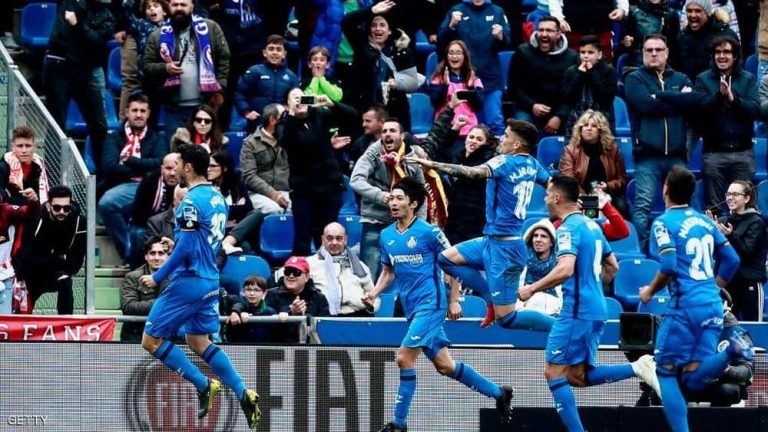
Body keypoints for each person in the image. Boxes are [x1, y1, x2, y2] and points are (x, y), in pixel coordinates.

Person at [362, 177, 514, 432]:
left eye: (399, 198)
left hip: (431, 304)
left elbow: (454, 262)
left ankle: (398, 425)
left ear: (413, 203)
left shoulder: (429, 232)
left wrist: (454, 299)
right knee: (445, 366)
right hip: (411, 307)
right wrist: (374, 294)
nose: (393, 202)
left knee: (403, 358)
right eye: (391, 197)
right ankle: (499, 393)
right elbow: (388, 272)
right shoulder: (387, 235)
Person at [518, 175, 660, 432]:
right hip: (596, 308)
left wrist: (531, 288)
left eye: (547, 195)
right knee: (577, 376)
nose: (545, 199)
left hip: (576, 310)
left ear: (557, 197)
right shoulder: (592, 226)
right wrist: (592, 289)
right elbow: (613, 266)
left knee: (553, 372)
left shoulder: (568, 228)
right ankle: (637, 367)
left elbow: (565, 269)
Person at [137, 145, 260, 429]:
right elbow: (201, 241)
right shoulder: (218, 197)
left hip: (189, 280)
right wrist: (177, 242)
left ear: (189, 167)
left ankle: (204, 384)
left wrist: (157, 276)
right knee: (197, 340)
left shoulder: (190, 201)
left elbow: (187, 249)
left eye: (178, 164)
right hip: (210, 280)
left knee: (150, 340)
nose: (176, 169)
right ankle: (243, 392)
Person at [407, 119, 555, 331]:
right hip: (491, 240)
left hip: (505, 249)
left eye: (506, 135)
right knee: (445, 259)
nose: (501, 138)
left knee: (507, 319)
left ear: (516, 145)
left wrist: (433, 165)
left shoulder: (504, 161)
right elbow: (551, 182)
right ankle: (488, 297)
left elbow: (471, 172)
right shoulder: (533, 164)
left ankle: (560, 329)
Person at [639, 166, 750, 432]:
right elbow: (732, 260)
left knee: (664, 372)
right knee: (694, 378)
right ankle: (730, 352)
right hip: (713, 306)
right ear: (692, 192)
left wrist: (650, 290)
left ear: (665, 189)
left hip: (685, 307)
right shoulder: (704, 222)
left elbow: (668, 265)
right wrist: (713, 286)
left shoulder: (664, 222)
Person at [624, 34, 697, 246]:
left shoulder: (681, 78)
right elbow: (646, 106)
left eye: (658, 50)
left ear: (667, 53)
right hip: (647, 154)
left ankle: (678, 247)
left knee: (681, 206)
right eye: (649, 50)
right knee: (643, 205)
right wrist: (677, 99)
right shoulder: (634, 78)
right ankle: (640, 251)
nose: (654, 54)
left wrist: (660, 96)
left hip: (676, 154)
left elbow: (691, 102)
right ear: (643, 53)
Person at [277, 88, 357, 255]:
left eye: (302, 97)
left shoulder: (319, 115)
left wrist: (331, 103)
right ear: (287, 105)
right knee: (302, 238)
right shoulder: (285, 123)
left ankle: (329, 269)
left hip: (329, 186)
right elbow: (287, 142)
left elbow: (353, 116)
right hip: (303, 190)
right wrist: (292, 114)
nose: (299, 101)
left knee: (327, 236)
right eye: (295, 98)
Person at [693, 35, 760, 215]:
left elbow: (755, 110)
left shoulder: (748, 79)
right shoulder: (703, 79)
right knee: (713, 208)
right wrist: (719, 96)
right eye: (718, 52)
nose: (721, 56)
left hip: (743, 153)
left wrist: (733, 99)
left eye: (726, 52)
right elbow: (700, 109)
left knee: (743, 209)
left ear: (735, 56)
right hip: (714, 154)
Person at [350, 118, 427, 277]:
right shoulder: (374, 152)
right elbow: (356, 180)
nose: (387, 134)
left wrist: (419, 223)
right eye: (384, 131)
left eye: (392, 131)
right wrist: (381, 196)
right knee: (369, 275)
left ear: (402, 136)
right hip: (375, 221)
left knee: (407, 275)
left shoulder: (411, 158)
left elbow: (421, 193)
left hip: (402, 225)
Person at [143, 0, 230, 138]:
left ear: (192, 7)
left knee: (205, 149)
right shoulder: (157, 36)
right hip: (174, 108)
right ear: (169, 7)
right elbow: (147, 65)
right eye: (175, 5)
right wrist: (165, 67)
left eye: (183, 5)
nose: (179, 8)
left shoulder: (211, 28)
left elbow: (224, 59)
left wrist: (220, 90)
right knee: (176, 149)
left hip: (205, 105)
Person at [43, 0, 114, 167]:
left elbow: (97, 41)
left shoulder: (108, 16)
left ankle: (103, 175)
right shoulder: (70, 2)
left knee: (99, 125)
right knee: (56, 125)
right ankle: (53, 175)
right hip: (59, 65)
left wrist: (78, 25)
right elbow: (63, 37)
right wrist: (85, 38)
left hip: (85, 70)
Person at [99, 93, 167, 262]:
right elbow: (109, 166)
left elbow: (161, 164)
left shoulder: (157, 138)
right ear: (126, 112)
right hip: (119, 185)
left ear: (148, 113)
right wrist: (142, 168)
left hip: (148, 186)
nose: (138, 114)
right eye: (134, 110)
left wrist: (131, 161)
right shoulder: (113, 137)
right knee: (107, 203)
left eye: (142, 111)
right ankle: (129, 253)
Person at [341, 1, 419, 130]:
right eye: (374, 25)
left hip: (394, 111)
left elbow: (412, 82)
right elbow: (346, 22)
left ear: (390, 30)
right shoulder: (361, 44)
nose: (378, 29)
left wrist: (397, 82)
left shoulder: (401, 51)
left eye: (382, 25)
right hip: (364, 109)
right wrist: (371, 10)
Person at [438, 0, 511, 136]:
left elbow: (508, 43)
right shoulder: (456, 10)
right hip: (464, 82)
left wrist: (501, 37)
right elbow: (441, 43)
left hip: (490, 80)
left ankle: (499, 150)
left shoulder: (497, 11)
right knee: (466, 126)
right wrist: (451, 26)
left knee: (495, 123)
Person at [275, 222, 377, 316]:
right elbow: (283, 276)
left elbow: (373, 296)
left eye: (339, 238)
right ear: (323, 239)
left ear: (345, 240)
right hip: (322, 316)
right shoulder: (309, 263)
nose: (334, 242)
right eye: (329, 238)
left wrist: (370, 306)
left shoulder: (360, 266)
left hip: (357, 315)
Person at [14, 185, 86, 315]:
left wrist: (53, 260)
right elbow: (25, 253)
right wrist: (57, 259)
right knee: (21, 309)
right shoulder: (36, 219)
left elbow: (76, 261)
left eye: (66, 208)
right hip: (31, 273)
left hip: (56, 272)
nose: (62, 212)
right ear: (48, 206)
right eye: (57, 207)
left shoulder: (78, 223)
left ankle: (65, 323)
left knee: (65, 280)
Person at [706, 181, 767, 321]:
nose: (730, 198)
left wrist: (730, 235)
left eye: (735, 194)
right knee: (725, 326)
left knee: (754, 326)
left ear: (746, 198)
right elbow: (716, 254)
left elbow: (747, 254)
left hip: (750, 283)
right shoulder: (723, 221)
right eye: (728, 194)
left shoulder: (756, 222)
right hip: (728, 283)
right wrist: (711, 231)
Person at [509, 17, 579, 136]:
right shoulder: (523, 52)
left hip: (558, 112)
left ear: (559, 34)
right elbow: (514, 87)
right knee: (521, 131)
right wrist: (532, 105)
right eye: (541, 30)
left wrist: (559, 116)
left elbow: (573, 94)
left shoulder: (572, 58)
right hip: (528, 109)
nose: (544, 34)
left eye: (549, 30)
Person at [559, 110, 628, 216]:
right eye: (585, 125)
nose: (589, 128)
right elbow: (568, 181)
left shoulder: (612, 150)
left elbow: (622, 179)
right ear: (580, 129)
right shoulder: (570, 150)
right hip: (579, 197)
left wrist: (607, 186)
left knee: (622, 206)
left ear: (600, 131)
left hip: (606, 195)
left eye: (594, 126)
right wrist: (588, 199)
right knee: (587, 209)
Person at [421, 40, 484, 145]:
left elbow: (478, 106)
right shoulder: (438, 78)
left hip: (468, 131)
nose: (454, 56)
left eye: (458, 53)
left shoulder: (474, 79)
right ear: (446, 56)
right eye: (451, 53)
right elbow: (435, 102)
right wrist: (445, 86)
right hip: (444, 130)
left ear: (465, 56)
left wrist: (470, 87)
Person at [234, 34, 300, 130]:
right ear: (264, 52)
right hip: (257, 124)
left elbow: (296, 100)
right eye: (271, 49)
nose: (274, 52)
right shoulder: (254, 71)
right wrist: (247, 112)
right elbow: (240, 94)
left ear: (284, 54)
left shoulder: (292, 77)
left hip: (282, 125)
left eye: (278, 49)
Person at [239, 103, 291, 217]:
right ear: (272, 120)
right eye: (283, 117)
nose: (287, 120)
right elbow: (249, 176)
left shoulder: (289, 139)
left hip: (287, 191)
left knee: (298, 208)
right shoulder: (250, 143)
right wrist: (273, 194)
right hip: (259, 193)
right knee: (274, 209)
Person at [265, 256, 331, 342]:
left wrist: (303, 316)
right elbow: (268, 328)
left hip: (310, 347)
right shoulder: (271, 295)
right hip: (279, 347)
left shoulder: (319, 298)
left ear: (307, 277)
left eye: (296, 272)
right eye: (287, 272)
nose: (291, 276)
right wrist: (291, 313)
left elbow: (323, 328)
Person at [561, 36, 617, 137]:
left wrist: (592, 73)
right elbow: (568, 99)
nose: (585, 56)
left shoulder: (609, 71)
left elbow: (607, 98)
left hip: (603, 123)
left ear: (599, 55)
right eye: (582, 52)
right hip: (576, 122)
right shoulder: (571, 71)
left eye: (590, 52)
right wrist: (580, 75)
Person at [120, 236, 170, 342]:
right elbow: (128, 307)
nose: (157, 258)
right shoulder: (133, 277)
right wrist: (164, 303)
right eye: (152, 253)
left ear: (169, 256)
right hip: (137, 336)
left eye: (161, 253)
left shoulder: (177, 277)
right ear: (146, 256)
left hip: (168, 336)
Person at [0, 183, 39, 314]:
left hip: (3, 277)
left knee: (4, 322)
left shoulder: (7, 211)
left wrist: (33, 202)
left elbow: (29, 213)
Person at [516, 218, 562, 316]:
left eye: (543, 236)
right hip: (524, 308)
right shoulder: (520, 259)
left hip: (554, 309)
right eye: (535, 236)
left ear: (551, 242)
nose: (538, 239)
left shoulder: (561, 262)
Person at [0, 127, 49, 207]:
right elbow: (2, 199)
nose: (24, 150)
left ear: (34, 147)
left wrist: (35, 198)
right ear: (13, 147)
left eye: (28, 146)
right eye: (20, 146)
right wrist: (29, 201)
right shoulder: (3, 167)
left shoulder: (39, 168)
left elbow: (43, 200)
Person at [226, 276, 278, 344]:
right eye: (248, 289)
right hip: (240, 349)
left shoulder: (270, 312)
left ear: (264, 293)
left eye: (257, 290)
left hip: (263, 349)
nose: (252, 293)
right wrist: (236, 313)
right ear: (243, 292)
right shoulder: (236, 309)